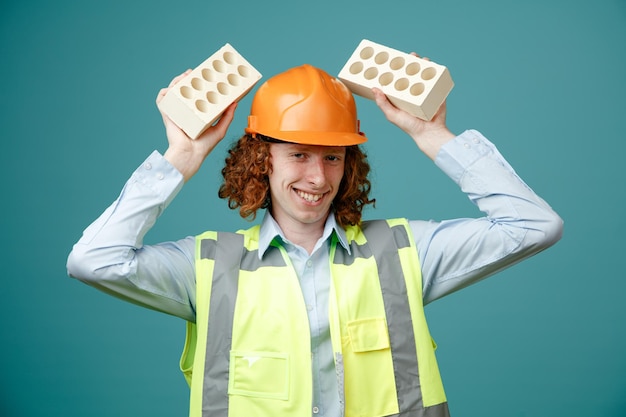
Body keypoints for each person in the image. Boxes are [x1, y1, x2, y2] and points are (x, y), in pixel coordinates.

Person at [67, 61, 563, 417]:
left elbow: (533, 226)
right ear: (263, 160)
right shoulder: (209, 266)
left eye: (333, 157)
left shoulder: (403, 251)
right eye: (299, 154)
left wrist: (431, 133)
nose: (318, 177)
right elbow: (94, 260)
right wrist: (181, 157)